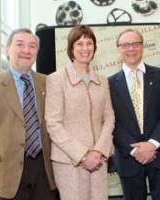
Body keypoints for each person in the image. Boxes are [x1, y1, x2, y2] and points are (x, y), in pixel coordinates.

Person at [0, 28, 58, 200]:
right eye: (20, 44)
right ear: (8, 49)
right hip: (7, 170)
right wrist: (6, 149)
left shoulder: (49, 83)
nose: (26, 50)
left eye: (32, 46)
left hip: (44, 169)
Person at [45, 25, 115, 200]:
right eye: (79, 44)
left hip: (98, 160)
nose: (85, 48)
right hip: (69, 161)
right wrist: (83, 155)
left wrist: (98, 151)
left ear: (95, 48)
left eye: (89, 43)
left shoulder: (102, 80)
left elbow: (109, 117)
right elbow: (53, 124)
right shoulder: (56, 79)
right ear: (71, 48)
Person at [108, 29, 160, 200]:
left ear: (143, 47)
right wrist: (135, 151)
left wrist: (152, 144)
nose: (131, 48)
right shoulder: (108, 84)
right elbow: (110, 121)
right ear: (118, 49)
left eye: (136, 44)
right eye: (125, 45)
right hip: (128, 158)